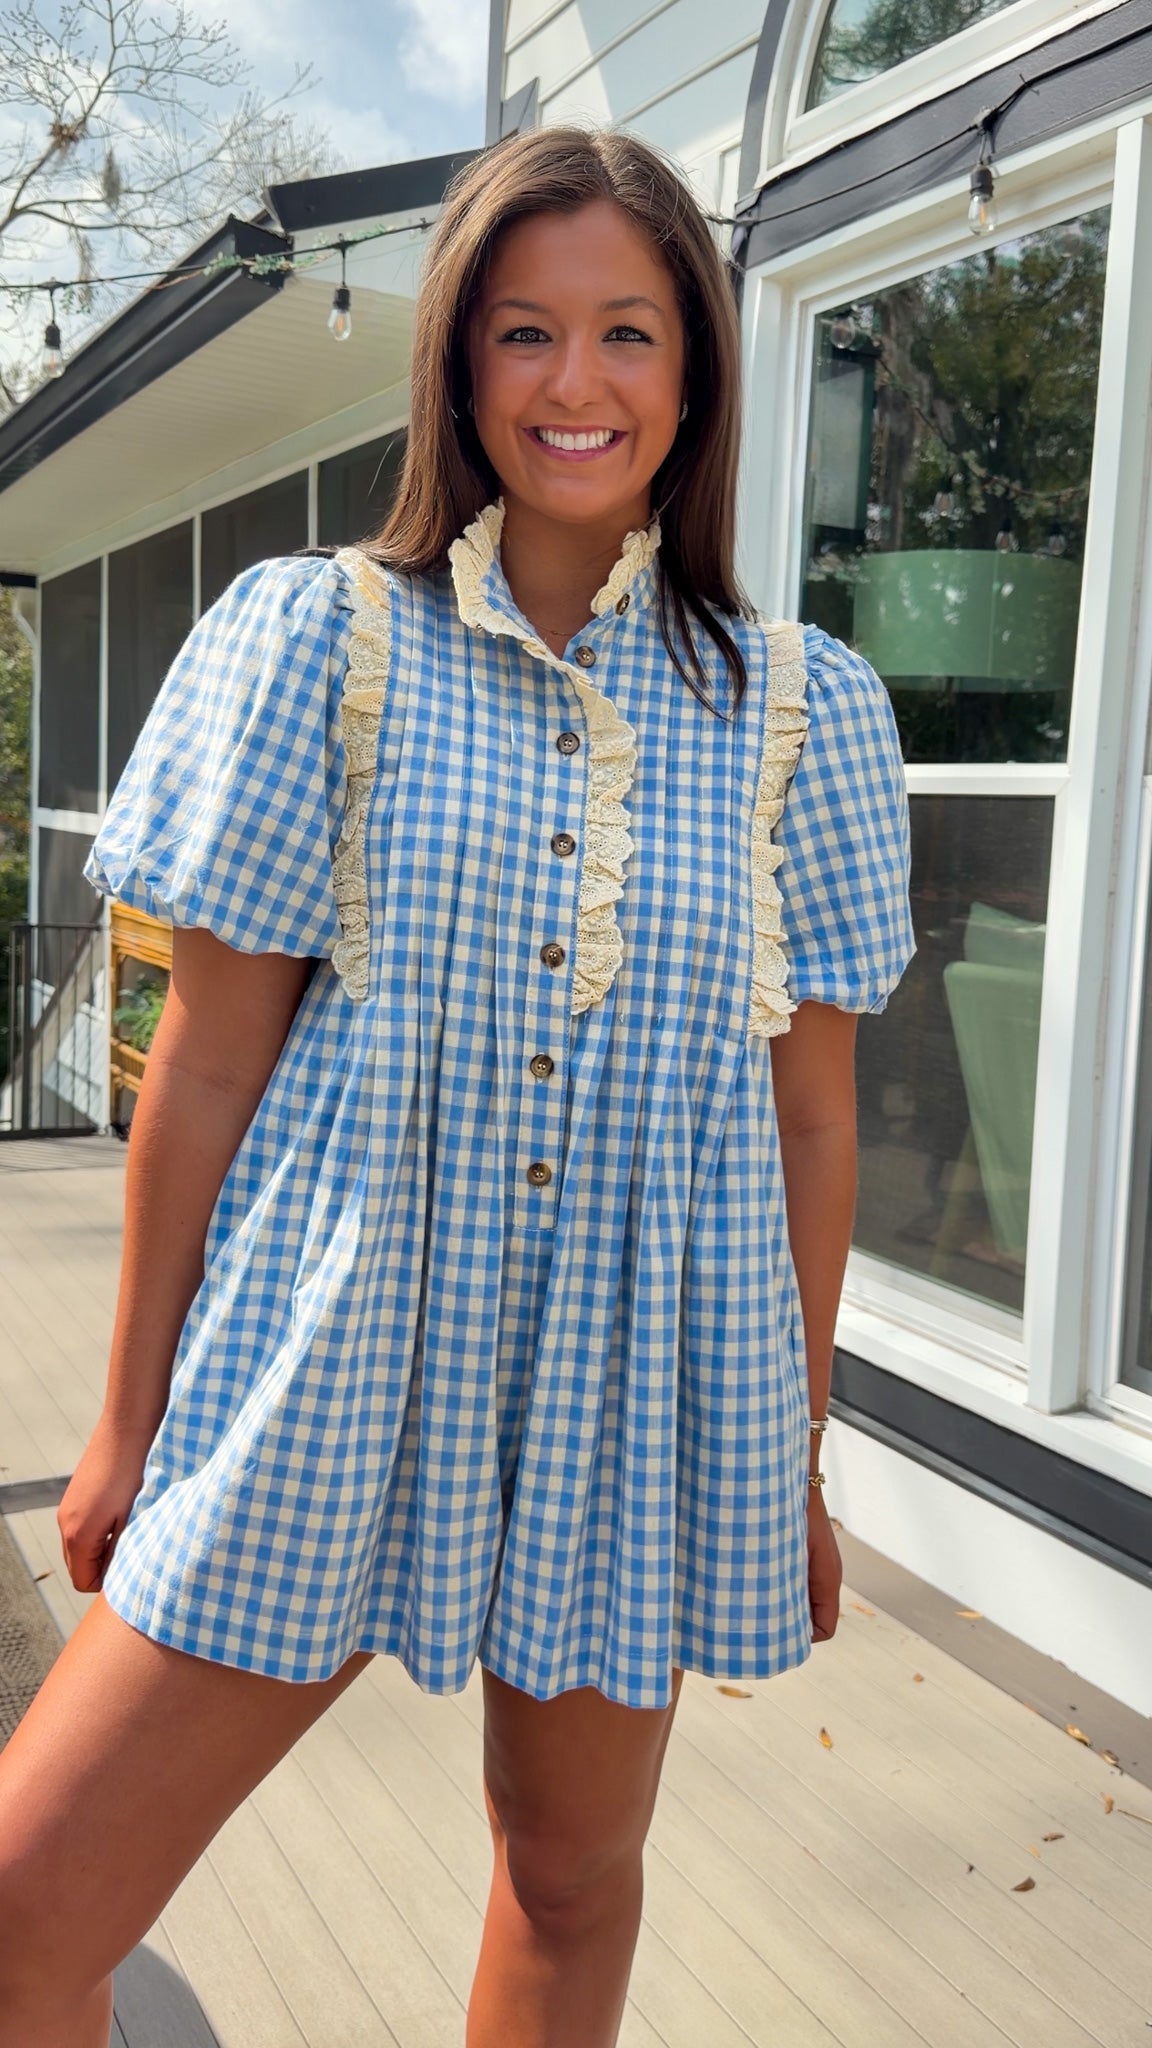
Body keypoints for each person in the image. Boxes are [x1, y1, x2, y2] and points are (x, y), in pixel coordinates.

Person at [0, 124, 915, 2048]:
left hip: (639, 1378)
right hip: (328, 1349)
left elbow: (809, 1121)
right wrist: (123, 1418)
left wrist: (799, 1453)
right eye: (524, 332)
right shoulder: (321, 640)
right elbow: (213, 1060)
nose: (576, 385)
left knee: (568, 1876)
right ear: (458, 363)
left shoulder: (805, 715)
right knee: (23, 1912)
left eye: (630, 334)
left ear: (697, 371)